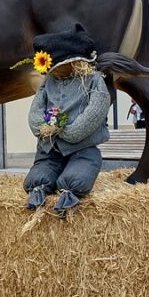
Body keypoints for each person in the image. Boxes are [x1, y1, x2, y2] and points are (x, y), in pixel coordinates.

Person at [23, 25, 110, 218]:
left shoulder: (93, 80)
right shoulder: (48, 82)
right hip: (50, 148)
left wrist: (71, 131)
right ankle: (38, 189)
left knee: (79, 174)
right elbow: (36, 108)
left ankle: (69, 193)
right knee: (39, 175)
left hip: (82, 147)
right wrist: (40, 127)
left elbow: (96, 110)